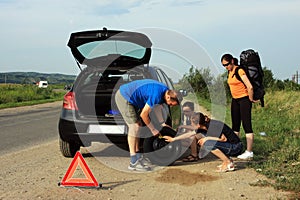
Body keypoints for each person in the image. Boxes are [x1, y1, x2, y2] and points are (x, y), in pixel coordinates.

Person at [115, 79, 182, 171]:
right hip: (125, 96)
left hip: (132, 98)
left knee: (139, 125)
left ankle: (138, 155)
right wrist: (153, 129)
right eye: (171, 104)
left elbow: (157, 107)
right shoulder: (157, 94)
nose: (170, 105)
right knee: (134, 127)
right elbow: (144, 114)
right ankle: (133, 161)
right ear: (169, 98)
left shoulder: (165, 92)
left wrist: (162, 123)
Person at [164, 112, 243, 172]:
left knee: (207, 144)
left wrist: (207, 138)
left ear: (198, 124)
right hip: (228, 145)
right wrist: (173, 139)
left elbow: (223, 139)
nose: (191, 125)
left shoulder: (212, 126)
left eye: (192, 123)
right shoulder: (202, 126)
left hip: (235, 147)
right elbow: (190, 134)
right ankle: (195, 155)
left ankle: (227, 162)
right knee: (195, 137)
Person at [221, 54, 257, 160]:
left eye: (227, 64)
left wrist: (250, 99)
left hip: (244, 100)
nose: (226, 67)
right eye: (224, 65)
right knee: (235, 125)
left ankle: (249, 151)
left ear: (232, 61)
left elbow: (249, 86)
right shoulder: (229, 72)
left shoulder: (239, 71)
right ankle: (235, 147)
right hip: (235, 100)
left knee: (247, 125)